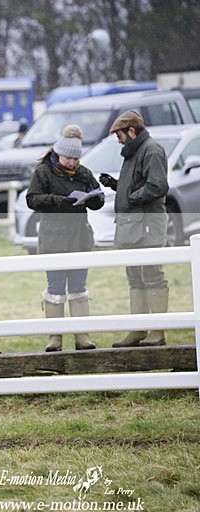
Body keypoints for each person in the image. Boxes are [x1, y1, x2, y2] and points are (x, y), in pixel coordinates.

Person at [26, 124, 104, 352]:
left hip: (79, 238)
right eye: (68, 158)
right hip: (53, 239)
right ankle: (55, 338)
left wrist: (92, 199)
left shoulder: (85, 173)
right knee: (55, 288)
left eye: (75, 159)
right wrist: (59, 201)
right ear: (58, 153)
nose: (72, 162)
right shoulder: (43, 172)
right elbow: (32, 200)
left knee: (79, 287)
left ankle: (82, 336)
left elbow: (98, 199)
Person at [99, 110, 170, 347]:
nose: (118, 140)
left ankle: (158, 333)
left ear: (131, 131)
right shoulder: (133, 152)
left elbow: (157, 186)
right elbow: (137, 186)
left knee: (152, 276)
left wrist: (130, 197)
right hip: (131, 227)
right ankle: (138, 331)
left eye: (119, 135)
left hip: (148, 225)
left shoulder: (151, 150)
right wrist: (117, 186)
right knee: (135, 278)